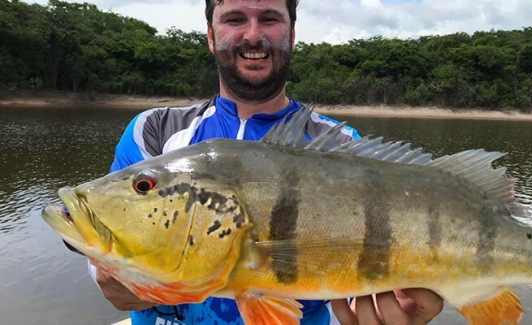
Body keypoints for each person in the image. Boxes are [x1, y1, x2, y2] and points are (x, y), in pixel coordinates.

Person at [85, 0, 445, 324]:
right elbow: (113, 262)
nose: (253, 35)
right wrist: (107, 276)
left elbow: (356, 278)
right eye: (235, 19)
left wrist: (391, 312)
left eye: (270, 18)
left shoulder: (339, 147)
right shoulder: (155, 132)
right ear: (210, 35)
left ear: (292, 34)